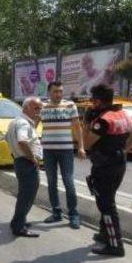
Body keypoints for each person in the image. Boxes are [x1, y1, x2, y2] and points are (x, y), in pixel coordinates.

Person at [83, 84, 132, 257]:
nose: (91, 104)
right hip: (119, 164)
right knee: (108, 199)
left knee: (106, 205)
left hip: (104, 167)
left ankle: (115, 244)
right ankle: (105, 234)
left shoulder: (102, 120)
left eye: (93, 100)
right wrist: (124, 150)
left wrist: (88, 123)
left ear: (99, 101)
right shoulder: (124, 114)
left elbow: (87, 144)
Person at [41, 81, 85, 229]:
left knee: (68, 181)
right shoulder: (42, 107)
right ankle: (56, 212)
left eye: (60, 91)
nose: (58, 94)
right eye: (55, 91)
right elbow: (33, 125)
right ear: (49, 92)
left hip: (66, 150)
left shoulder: (70, 106)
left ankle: (73, 215)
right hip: (48, 150)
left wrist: (81, 147)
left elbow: (77, 127)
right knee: (51, 182)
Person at [6, 97, 43, 238]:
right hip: (27, 163)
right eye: (36, 108)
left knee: (24, 195)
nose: (39, 111)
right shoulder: (23, 123)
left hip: (20, 161)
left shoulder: (18, 121)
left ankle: (18, 221)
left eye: (40, 108)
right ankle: (19, 227)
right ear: (26, 108)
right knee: (27, 196)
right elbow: (22, 141)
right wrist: (32, 158)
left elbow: (8, 138)